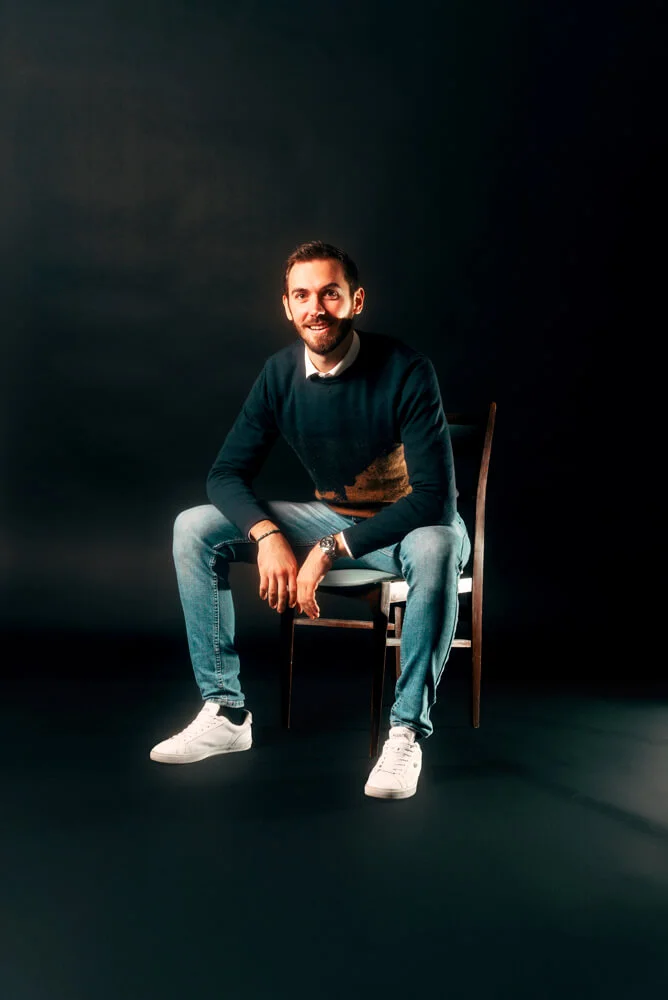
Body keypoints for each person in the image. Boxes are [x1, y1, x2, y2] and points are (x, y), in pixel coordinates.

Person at [150, 240, 471, 800]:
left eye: (329, 293)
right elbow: (225, 474)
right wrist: (268, 534)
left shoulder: (407, 370)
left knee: (437, 546)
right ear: (287, 305)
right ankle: (226, 714)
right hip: (330, 516)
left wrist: (327, 549)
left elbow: (435, 500)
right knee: (194, 525)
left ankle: (404, 734)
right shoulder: (279, 374)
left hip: (409, 528)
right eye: (302, 295)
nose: (315, 307)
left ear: (356, 301)